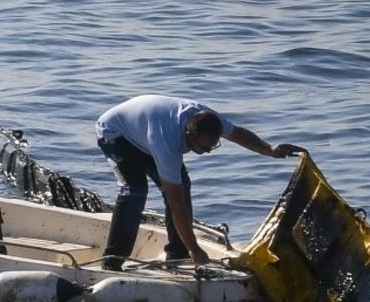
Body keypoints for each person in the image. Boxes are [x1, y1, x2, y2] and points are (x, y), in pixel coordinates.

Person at [95, 94, 302, 271]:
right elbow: (176, 203)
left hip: (145, 128)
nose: (209, 151)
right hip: (116, 133)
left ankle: (177, 253)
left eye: (214, 145)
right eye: (204, 147)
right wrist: (195, 248)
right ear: (189, 134)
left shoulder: (209, 120)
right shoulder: (168, 145)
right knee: (135, 190)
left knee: (182, 188)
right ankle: (112, 261)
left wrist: (270, 150)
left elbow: (238, 133)